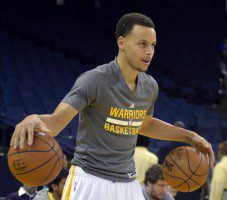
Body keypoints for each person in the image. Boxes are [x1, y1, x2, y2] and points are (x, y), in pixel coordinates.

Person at [10, 13, 214, 200]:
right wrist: (33, 118)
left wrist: (190, 137)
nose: (149, 51)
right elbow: (55, 124)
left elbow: (143, 124)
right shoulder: (94, 80)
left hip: (128, 183)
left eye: (153, 45)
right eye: (142, 44)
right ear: (122, 42)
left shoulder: (150, 86)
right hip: (90, 180)